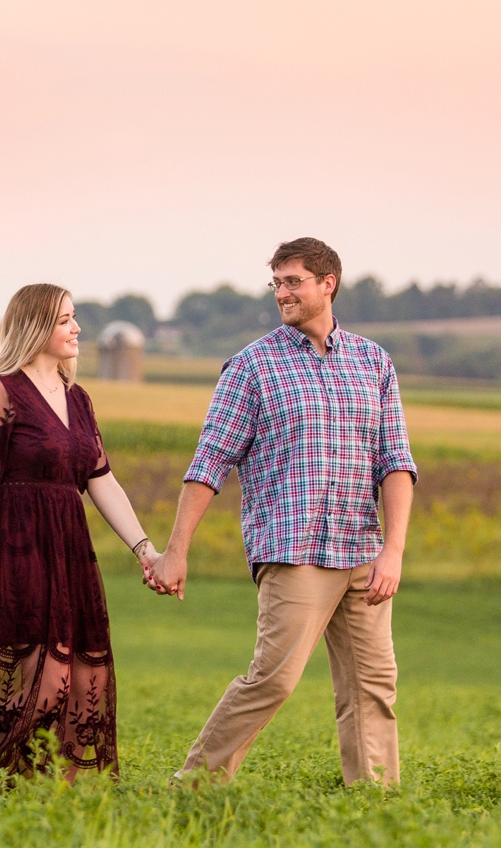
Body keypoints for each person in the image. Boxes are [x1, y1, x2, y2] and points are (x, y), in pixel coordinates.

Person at [148, 237, 418, 786]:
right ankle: (196, 784)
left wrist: (394, 550)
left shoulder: (373, 362)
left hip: (362, 552)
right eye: (276, 283)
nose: (282, 292)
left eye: (293, 281)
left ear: (328, 284)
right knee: (273, 680)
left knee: (373, 687)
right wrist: (176, 551)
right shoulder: (252, 367)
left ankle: (377, 805)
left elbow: (396, 462)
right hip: (293, 552)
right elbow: (210, 463)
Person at [0, 283, 164, 779]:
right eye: (65, 319)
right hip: (16, 539)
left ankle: (44, 799)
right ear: (36, 327)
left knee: (81, 679)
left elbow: (101, 481)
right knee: (45, 680)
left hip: (68, 544)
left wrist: (144, 548)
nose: (77, 327)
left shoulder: (78, 399)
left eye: (74, 317)